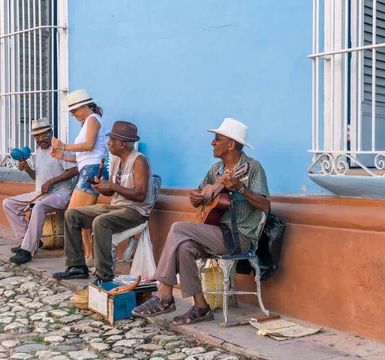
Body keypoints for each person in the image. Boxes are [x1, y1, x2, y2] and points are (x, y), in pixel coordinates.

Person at [132, 118, 270, 325]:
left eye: (217, 139)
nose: (212, 143)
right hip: (213, 232)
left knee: (177, 228)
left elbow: (266, 206)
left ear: (231, 144)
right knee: (185, 247)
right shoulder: (216, 170)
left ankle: (164, 293)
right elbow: (201, 195)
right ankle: (201, 306)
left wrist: (240, 188)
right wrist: (198, 198)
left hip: (238, 236)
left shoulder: (252, 168)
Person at [52, 121, 156, 283]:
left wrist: (112, 186)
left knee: (101, 222)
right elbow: (113, 190)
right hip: (116, 207)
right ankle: (76, 266)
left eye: (112, 140)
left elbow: (140, 195)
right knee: (72, 214)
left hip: (136, 211)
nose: (108, 143)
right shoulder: (114, 160)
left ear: (122, 144)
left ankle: (104, 275)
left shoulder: (139, 161)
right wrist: (103, 187)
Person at [3, 118, 78, 265]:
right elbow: (36, 177)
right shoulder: (37, 153)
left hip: (60, 194)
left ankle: (27, 250)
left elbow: (74, 170)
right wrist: (27, 169)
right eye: (37, 136)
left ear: (51, 133)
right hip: (40, 193)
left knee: (38, 207)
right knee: (8, 203)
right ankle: (28, 240)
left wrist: (51, 181)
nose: (40, 139)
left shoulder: (60, 149)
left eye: (43, 135)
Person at [50, 89, 109, 261]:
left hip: (92, 170)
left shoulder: (93, 119)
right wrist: (61, 156)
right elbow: (82, 156)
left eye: (74, 110)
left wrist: (63, 146)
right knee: (79, 214)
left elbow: (89, 146)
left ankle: (85, 256)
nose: (73, 114)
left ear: (84, 106)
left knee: (74, 214)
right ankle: (88, 255)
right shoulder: (87, 122)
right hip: (87, 169)